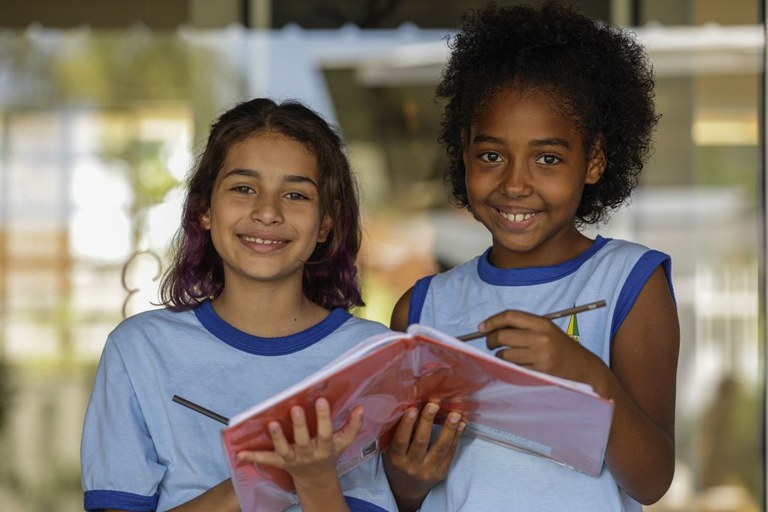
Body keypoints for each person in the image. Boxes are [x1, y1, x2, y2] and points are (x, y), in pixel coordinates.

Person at [383, 2, 680, 511]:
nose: (515, 183)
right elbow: (397, 490)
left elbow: (651, 481)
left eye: (547, 158)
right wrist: (407, 481)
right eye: (491, 155)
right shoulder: (422, 309)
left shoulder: (629, 282)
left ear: (594, 160)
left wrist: (586, 373)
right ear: (464, 150)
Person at [80, 98, 397, 512]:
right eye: (244, 188)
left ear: (326, 222)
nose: (267, 212)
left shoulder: (373, 356)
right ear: (204, 209)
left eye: (296, 194)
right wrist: (262, 476)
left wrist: (317, 480)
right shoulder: (139, 349)